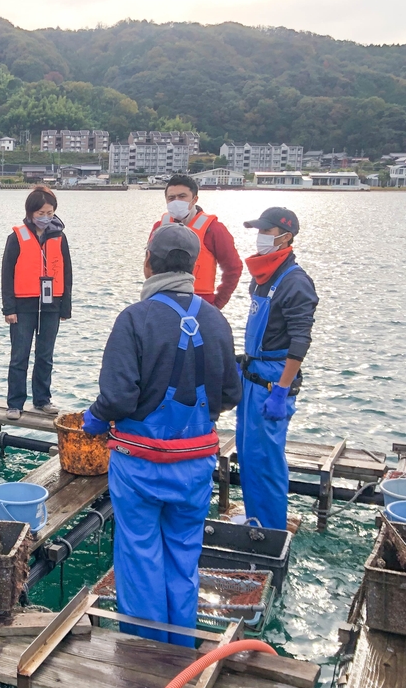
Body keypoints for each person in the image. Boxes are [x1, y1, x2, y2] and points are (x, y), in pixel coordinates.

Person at [83, 223, 241, 646]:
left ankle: (144, 657)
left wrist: (93, 420)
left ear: (148, 262)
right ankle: (181, 650)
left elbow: (117, 398)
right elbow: (229, 395)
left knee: (139, 556)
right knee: (183, 557)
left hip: (140, 467)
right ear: (193, 265)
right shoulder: (215, 319)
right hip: (194, 467)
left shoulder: (134, 318)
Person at [236, 208, 318, 531]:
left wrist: (282, 390)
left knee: (268, 461)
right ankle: (255, 518)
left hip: (273, 382)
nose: (261, 237)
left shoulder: (296, 281)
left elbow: (300, 340)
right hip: (251, 378)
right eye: (259, 230)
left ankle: (270, 532)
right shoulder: (263, 278)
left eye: (266, 231)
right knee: (248, 457)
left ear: (286, 237)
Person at [1, 186, 73, 420]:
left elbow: (67, 272)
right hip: (23, 305)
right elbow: (6, 273)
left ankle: (42, 400)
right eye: (40, 212)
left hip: (51, 304)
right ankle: (15, 402)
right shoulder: (17, 236)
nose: (45, 217)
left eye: (50, 212)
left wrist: (66, 306)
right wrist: (8, 308)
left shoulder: (60, 237)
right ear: (30, 212)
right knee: (19, 355)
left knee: (45, 355)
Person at [153, 175, 242, 309]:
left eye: (182, 196)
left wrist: (217, 304)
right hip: (162, 300)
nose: (176, 201)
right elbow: (149, 265)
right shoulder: (159, 227)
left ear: (195, 199)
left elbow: (233, 267)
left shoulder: (214, 229)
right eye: (171, 198)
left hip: (201, 302)